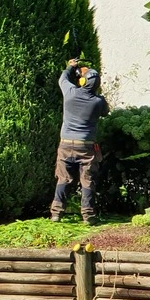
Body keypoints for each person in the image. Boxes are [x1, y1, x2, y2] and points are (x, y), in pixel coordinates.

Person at [50, 58, 109, 225]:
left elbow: (63, 79)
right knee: (87, 181)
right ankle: (88, 216)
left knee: (63, 179)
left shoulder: (70, 93)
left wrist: (71, 67)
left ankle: (56, 213)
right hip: (87, 147)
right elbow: (105, 112)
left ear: (82, 81)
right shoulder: (98, 102)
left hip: (66, 144)